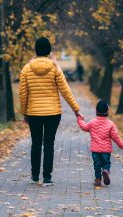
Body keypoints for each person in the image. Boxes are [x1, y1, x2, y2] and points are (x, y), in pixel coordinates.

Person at [19, 37, 80, 186]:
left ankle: (34, 176)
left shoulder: (26, 69)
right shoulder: (55, 68)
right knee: (49, 144)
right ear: (49, 51)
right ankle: (47, 178)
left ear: (35, 50)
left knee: (36, 143)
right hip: (53, 113)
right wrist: (76, 110)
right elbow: (65, 90)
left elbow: (23, 94)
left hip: (33, 113)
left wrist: (24, 113)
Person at [77, 100, 123, 186]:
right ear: (107, 111)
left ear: (96, 111)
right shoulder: (110, 124)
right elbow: (115, 137)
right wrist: (122, 145)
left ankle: (98, 180)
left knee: (96, 165)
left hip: (95, 150)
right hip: (106, 150)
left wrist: (79, 119)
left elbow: (84, 127)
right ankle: (106, 171)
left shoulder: (92, 122)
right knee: (106, 163)